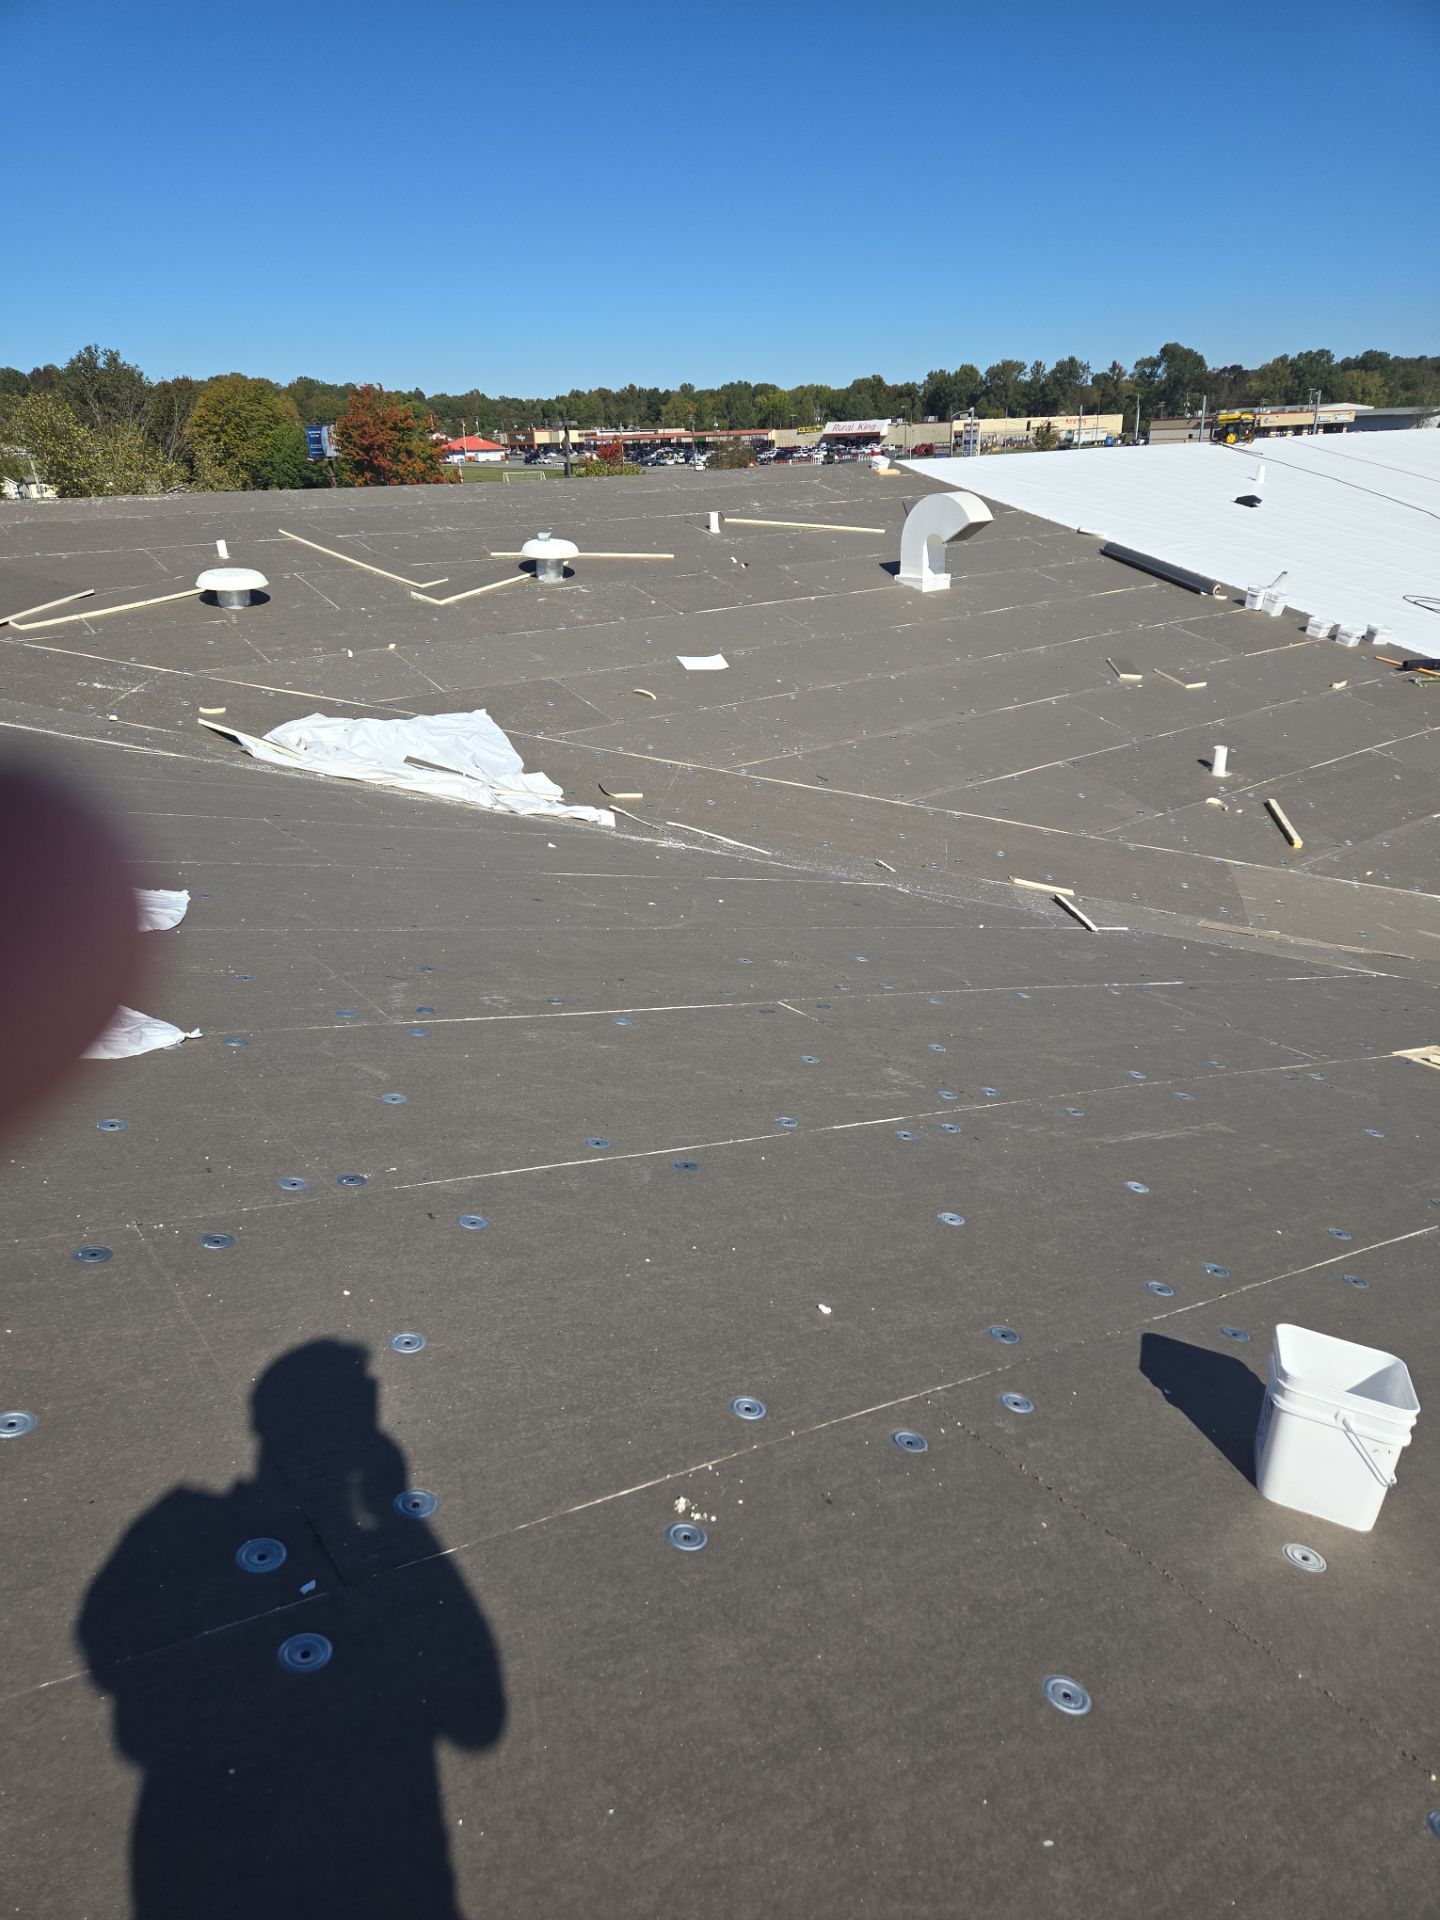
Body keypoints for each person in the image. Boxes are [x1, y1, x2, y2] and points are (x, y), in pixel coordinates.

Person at [78, 1341, 505, 1919]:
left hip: (194, 1852)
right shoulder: (181, 1520)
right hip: (381, 1853)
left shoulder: (172, 1520)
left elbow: (107, 1653)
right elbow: (478, 1720)